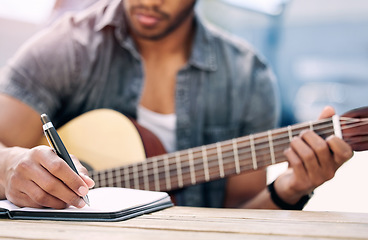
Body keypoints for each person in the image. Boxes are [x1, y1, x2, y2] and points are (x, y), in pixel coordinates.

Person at [0, 0, 354, 210]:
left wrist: (292, 187)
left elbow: (240, 215)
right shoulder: (67, 47)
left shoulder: (248, 76)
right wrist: (10, 166)